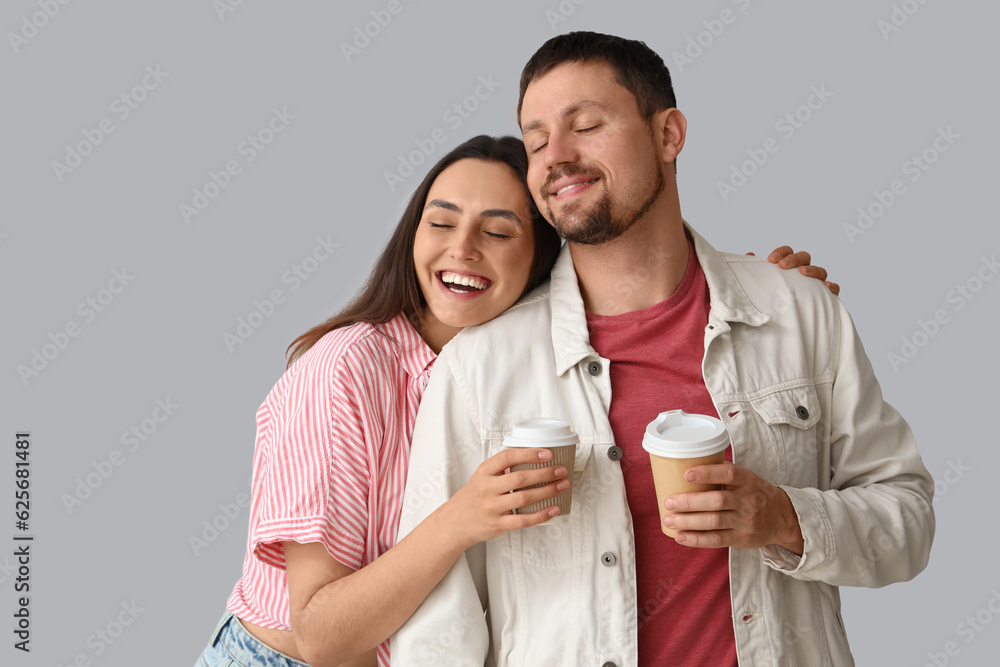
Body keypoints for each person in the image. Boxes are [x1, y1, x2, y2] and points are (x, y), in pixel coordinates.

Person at [391, 33, 934, 667]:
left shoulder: (800, 313)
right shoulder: (479, 368)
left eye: (586, 125)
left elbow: (908, 523)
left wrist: (784, 517)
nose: (556, 157)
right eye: (536, 142)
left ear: (669, 134)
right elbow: (436, 627)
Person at [194, 134, 829, 667]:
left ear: (544, 264)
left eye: (497, 232)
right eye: (441, 223)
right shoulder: (345, 370)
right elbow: (319, 634)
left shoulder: (519, 367)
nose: (462, 249)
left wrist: (760, 301)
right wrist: (463, 516)